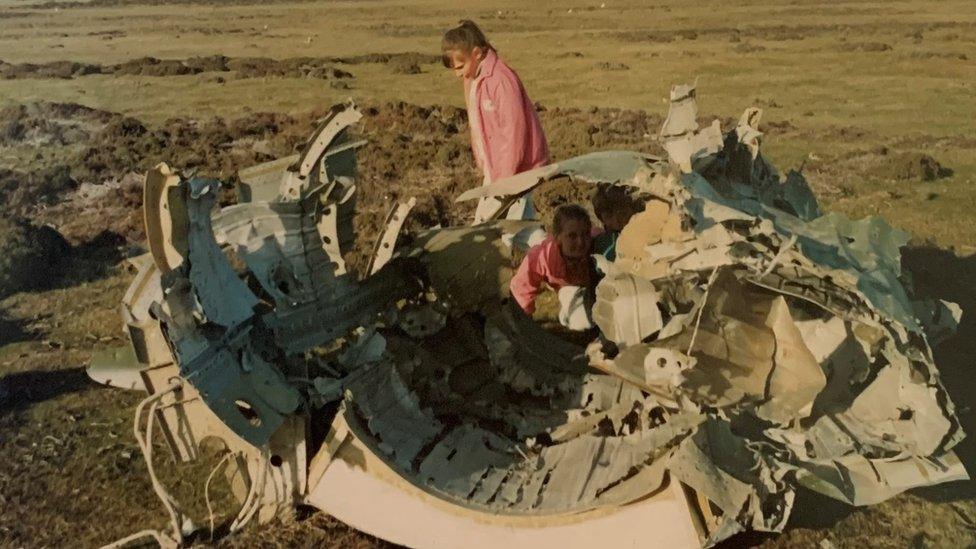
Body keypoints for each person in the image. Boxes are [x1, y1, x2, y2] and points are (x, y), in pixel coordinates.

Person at [441, 20, 549, 223]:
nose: (457, 74)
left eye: (460, 67)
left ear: (477, 54)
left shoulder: (500, 80)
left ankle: (549, 252)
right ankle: (544, 252)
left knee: (501, 231)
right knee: (518, 230)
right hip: (497, 170)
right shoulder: (473, 80)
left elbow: (514, 131)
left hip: (517, 173)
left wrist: (505, 181)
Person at [510, 204, 595, 330]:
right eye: (572, 236)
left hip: (596, 287)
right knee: (584, 324)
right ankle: (566, 315)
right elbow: (521, 291)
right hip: (569, 287)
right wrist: (523, 325)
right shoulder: (541, 257)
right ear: (558, 237)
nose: (580, 242)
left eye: (585, 234)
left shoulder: (599, 245)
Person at [591, 185, 639, 263]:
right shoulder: (600, 242)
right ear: (601, 218)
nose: (616, 221)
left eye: (622, 213)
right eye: (608, 216)